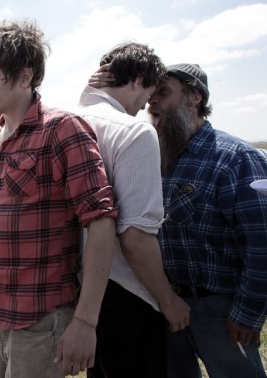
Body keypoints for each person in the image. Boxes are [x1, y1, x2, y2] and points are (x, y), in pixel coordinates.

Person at [0, 19, 119, 378]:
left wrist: (85, 322)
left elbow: (102, 222)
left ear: (25, 76)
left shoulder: (63, 131)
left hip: (42, 318)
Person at [76, 42, 191, 378]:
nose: (144, 107)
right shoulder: (135, 131)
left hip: (80, 291)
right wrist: (167, 300)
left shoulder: (65, 122)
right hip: (128, 294)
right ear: (138, 80)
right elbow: (135, 238)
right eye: (148, 93)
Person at [146, 63, 267, 378]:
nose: (151, 101)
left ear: (195, 97)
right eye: (150, 95)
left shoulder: (235, 157)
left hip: (221, 311)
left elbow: (261, 244)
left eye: (163, 92)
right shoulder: (155, 158)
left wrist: (248, 313)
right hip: (168, 307)